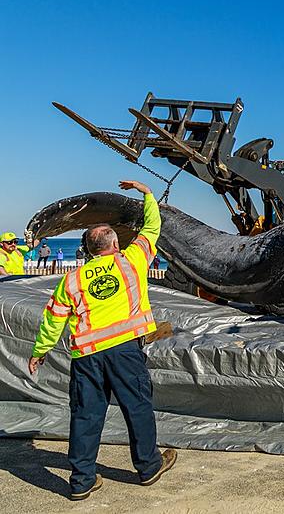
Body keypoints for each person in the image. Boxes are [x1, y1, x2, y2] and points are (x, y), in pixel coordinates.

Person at [28, 180, 177, 500]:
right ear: (115, 244)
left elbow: (53, 319)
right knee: (137, 407)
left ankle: (81, 482)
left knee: (85, 414)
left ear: (87, 250)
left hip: (87, 356)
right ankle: (149, 467)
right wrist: (148, 194)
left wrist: (39, 352)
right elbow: (153, 226)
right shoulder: (132, 261)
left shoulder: (73, 280)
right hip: (125, 351)